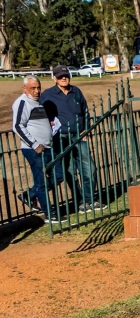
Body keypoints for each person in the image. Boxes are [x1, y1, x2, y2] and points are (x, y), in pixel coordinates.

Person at [39, 64, 102, 212]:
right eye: (60, 77)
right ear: (55, 78)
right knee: (70, 171)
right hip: (61, 139)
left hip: (79, 136)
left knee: (89, 168)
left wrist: (86, 129)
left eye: (66, 75)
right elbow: (40, 114)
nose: (64, 78)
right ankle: (80, 201)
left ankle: (90, 199)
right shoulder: (48, 95)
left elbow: (85, 111)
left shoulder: (76, 92)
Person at [11, 75, 63, 223]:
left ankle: (30, 195)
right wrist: (34, 144)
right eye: (33, 88)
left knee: (59, 174)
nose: (37, 91)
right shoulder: (22, 102)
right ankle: (49, 214)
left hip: (48, 147)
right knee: (41, 181)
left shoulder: (38, 102)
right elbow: (17, 126)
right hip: (34, 150)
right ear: (24, 89)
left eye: (38, 87)